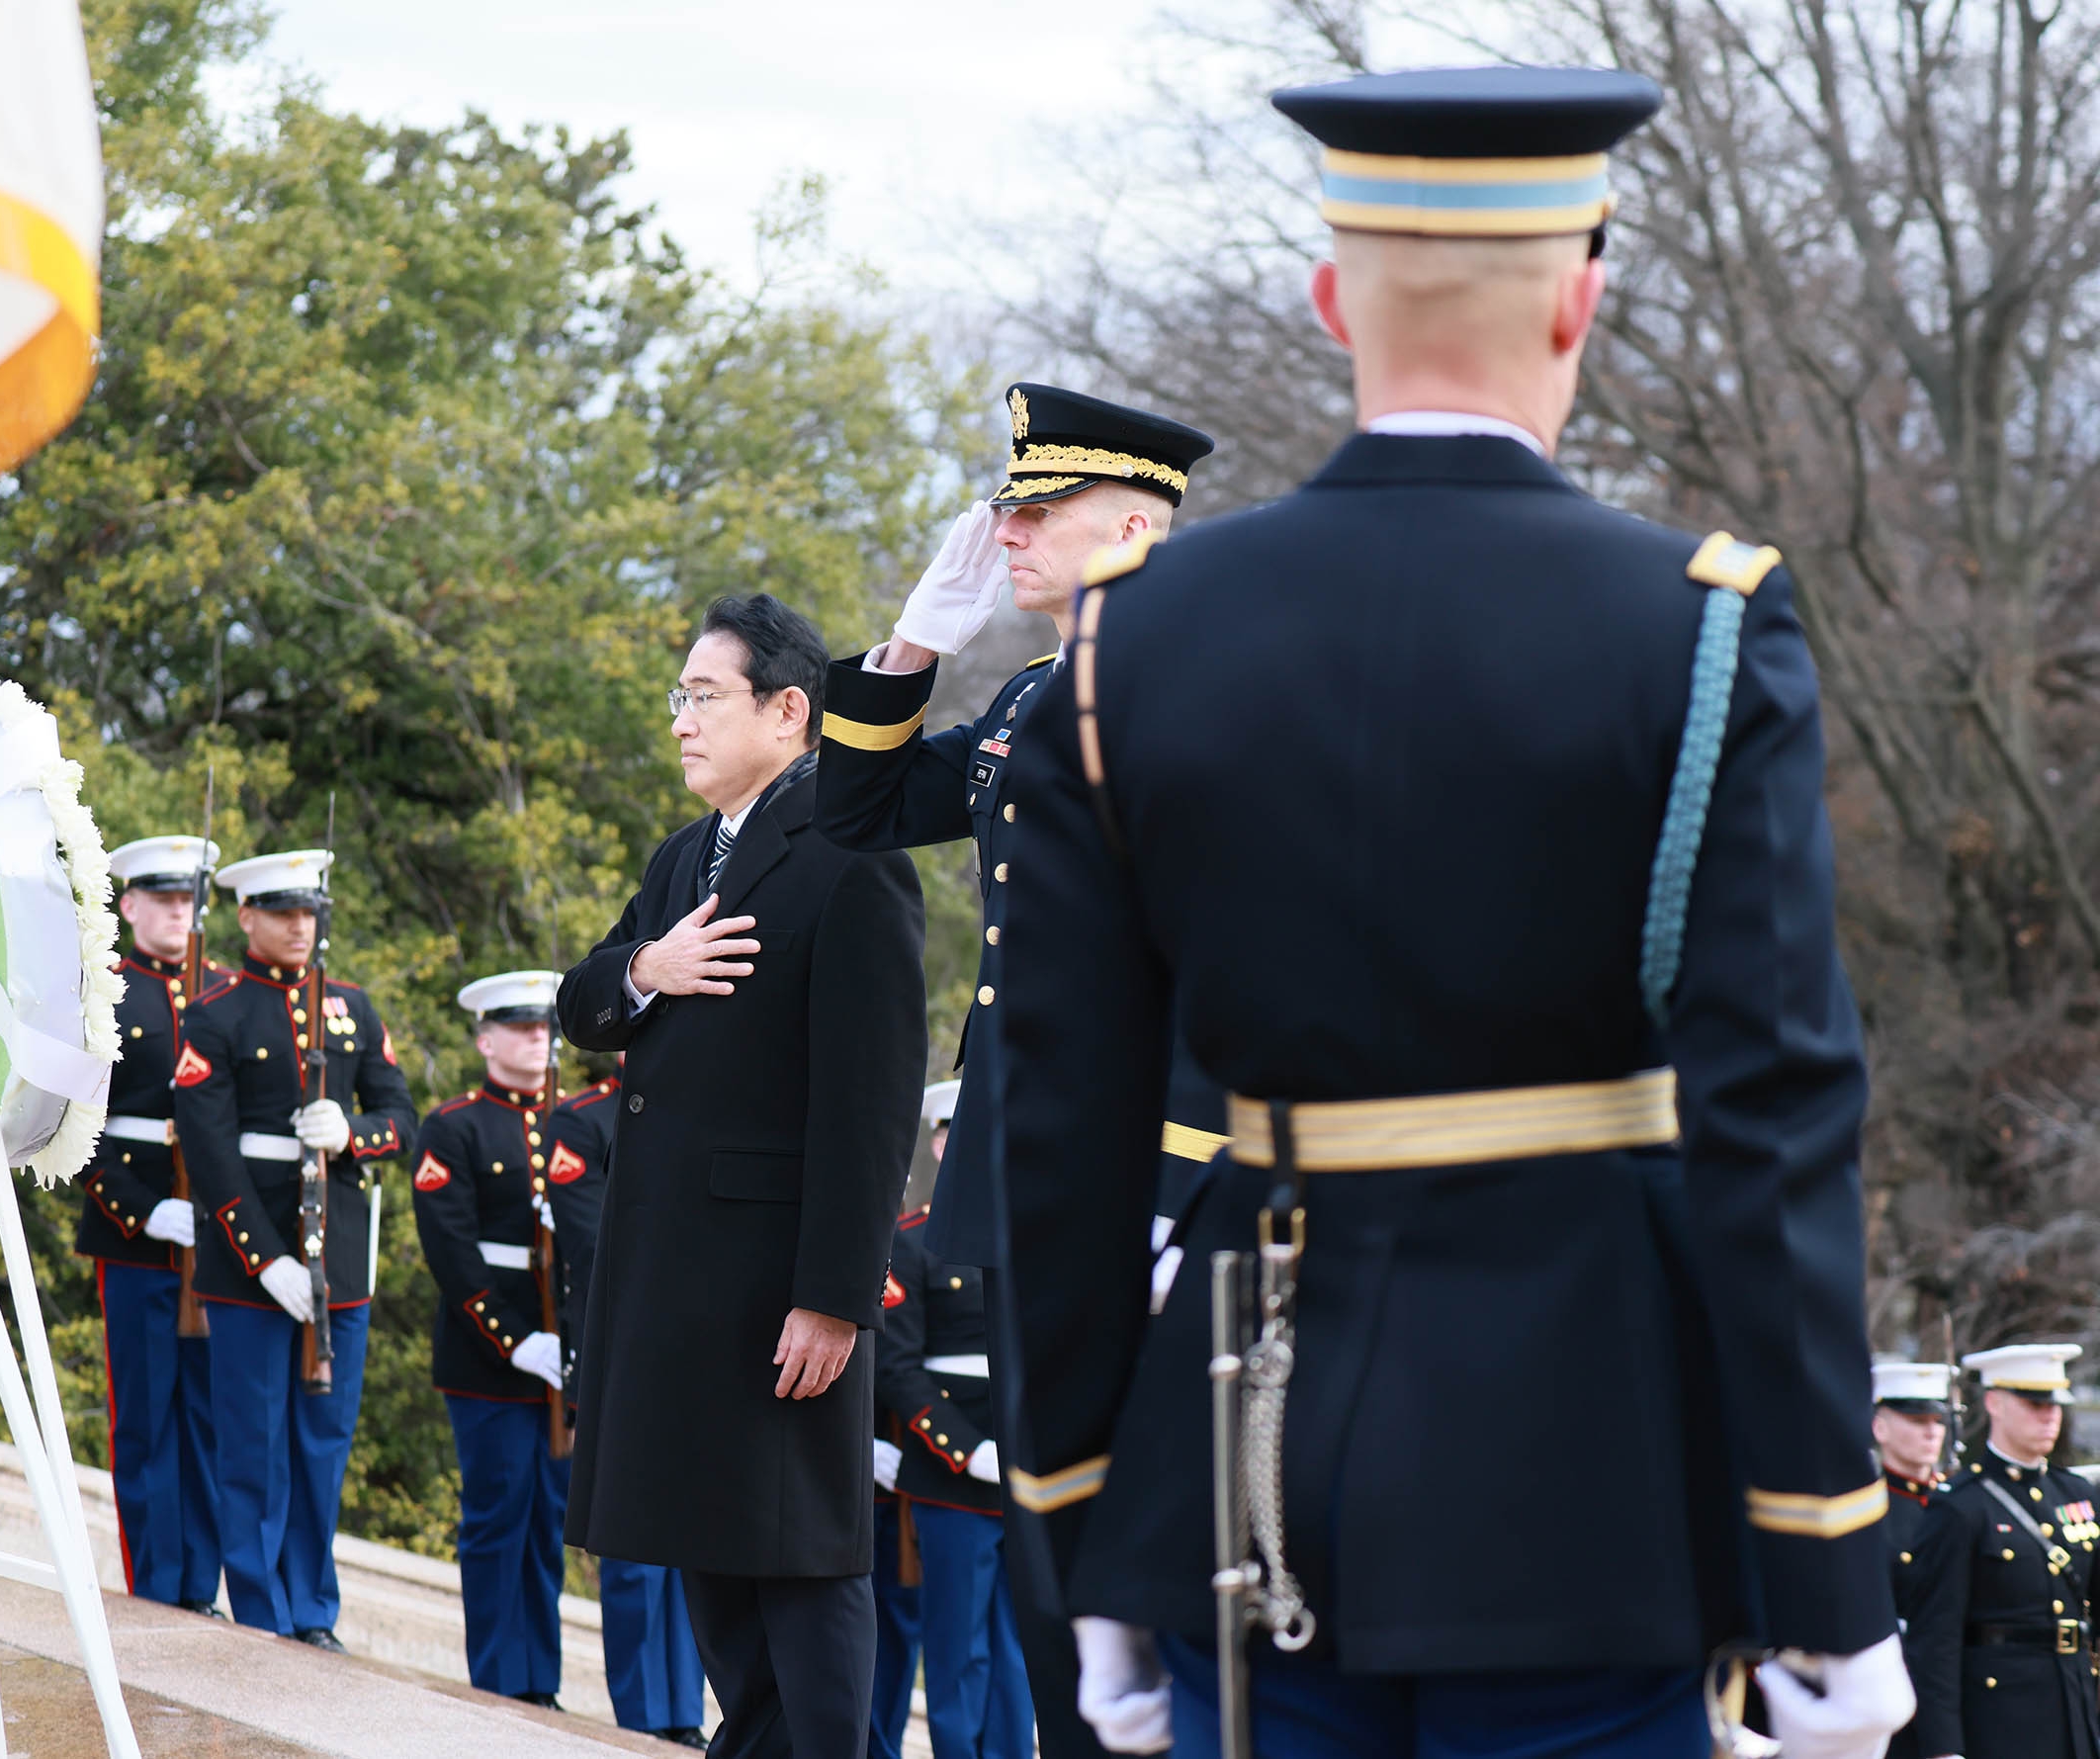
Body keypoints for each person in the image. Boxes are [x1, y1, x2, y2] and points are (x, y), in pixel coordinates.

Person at [992, 65, 1909, 1759]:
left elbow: (1059, 1141)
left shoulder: (1128, 647)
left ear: (1334, 297)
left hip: (1241, 1475)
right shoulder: (1700, 627)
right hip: (1597, 1487)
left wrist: (1081, 1533)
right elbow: (1774, 1119)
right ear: (1583, 299)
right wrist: (1826, 1562)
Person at [815, 382, 1224, 1759]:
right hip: (1028, 1160)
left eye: (1038, 512)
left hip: (1147, 1169)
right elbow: (857, 805)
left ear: (1133, 522)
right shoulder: (1036, 692)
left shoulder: (1206, 685)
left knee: (1144, 1525)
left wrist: (1180, 1172)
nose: (1010, 534)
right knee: (1057, 1524)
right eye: (1009, 508)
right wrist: (917, 644)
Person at [560, 592, 927, 1759]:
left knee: (802, 1568)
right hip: (680, 1282)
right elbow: (584, 1000)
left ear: (787, 709)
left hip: (779, 1290)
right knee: (716, 1558)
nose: (681, 720)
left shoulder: (848, 856)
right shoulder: (685, 861)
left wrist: (834, 1295)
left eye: (702, 696)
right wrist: (647, 966)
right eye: (680, 697)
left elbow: (873, 1105)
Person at [174, 847, 417, 1649]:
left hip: (338, 1265)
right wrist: (264, 1257)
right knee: (252, 1446)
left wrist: (354, 1133)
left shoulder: (352, 1006)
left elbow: (402, 1121)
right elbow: (209, 1151)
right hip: (254, 1267)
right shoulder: (217, 1011)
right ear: (246, 916)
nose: (299, 925)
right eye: (282, 911)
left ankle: (312, 1610)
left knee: (322, 1446)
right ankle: (258, 1608)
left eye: (309, 911)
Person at [410, 969, 576, 1709]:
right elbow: (451, 1250)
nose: (537, 1036)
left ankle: (538, 1678)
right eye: (519, 1026)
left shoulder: (572, 1122)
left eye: (544, 1025)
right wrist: (513, 1340)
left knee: (547, 1524)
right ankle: (497, 1679)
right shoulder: (456, 1126)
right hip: (491, 1358)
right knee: (497, 1520)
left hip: (560, 1360)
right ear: (485, 1038)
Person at [74, 834, 225, 1613]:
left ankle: (200, 1585)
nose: (178, 912)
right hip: (136, 1240)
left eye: (188, 899)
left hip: (216, 1249)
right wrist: (143, 1210)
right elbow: (73, 1126)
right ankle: (153, 1586)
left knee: (207, 1421)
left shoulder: (224, 993)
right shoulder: (103, 992)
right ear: (128, 905)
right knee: (146, 1422)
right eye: (162, 899)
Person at [548, 1056, 713, 1747]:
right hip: (625, 1348)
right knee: (636, 1549)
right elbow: (593, 1242)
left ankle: (683, 1714)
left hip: (699, 1355)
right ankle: (642, 1717)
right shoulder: (581, 1120)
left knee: (692, 1547)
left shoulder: (710, 1105)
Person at [880, 1132, 1033, 1759]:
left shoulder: (1035, 1241)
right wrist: (966, 1449)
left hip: (1029, 1474)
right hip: (953, 1479)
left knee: (1020, 1654)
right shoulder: (913, 1240)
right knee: (958, 1648)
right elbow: (897, 1365)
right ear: (942, 1147)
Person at [1906, 1343, 2100, 1759]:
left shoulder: (2077, 1494)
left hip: (2076, 1708)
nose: (2049, 1415)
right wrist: (1944, 1749)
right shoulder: (1960, 1506)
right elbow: (1934, 1640)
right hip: (2001, 1723)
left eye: (2055, 1404)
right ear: (1994, 1402)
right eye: (2033, 1403)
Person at [868, 1080, 956, 1759]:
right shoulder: (899, 1231)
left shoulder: (932, 1235)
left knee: (899, 1617)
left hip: (917, 1457)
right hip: (864, 1457)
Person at [1871, 1360, 1951, 1759]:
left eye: (1937, 1420)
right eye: (1917, 1419)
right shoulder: (1867, 1511)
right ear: (1880, 1427)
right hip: (1896, 1690)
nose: (1932, 1430)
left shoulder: (1959, 1502)